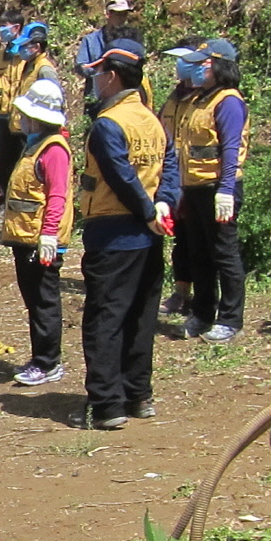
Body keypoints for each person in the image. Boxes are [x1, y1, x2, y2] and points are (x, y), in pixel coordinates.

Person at [75, 41, 178, 429]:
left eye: (99, 74)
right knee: (140, 316)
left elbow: (120, 176)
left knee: (105, 318)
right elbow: (170, 163)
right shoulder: (153, 120)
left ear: (112, 77)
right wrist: (164, 204)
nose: (95, 81)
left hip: (114, 234)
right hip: (149, 236)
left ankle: (106, 404)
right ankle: (139, 394)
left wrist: (150, 208)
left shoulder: (108, 125)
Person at [159, 37, 247, 343]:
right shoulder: (198, 99)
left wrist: (226, 189)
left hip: (218, 188)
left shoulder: (229, 101)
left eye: (203, 64)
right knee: (199, 253)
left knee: (224, 253)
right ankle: (202, 312)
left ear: (219, 66)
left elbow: (231, 147)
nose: (197, 69)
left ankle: (230, 317)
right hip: (193, 187)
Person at [1, 74, 74, 386]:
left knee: (44, 302)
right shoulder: (35, 147)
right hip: (26, 237)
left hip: (40, 240)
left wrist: (49, 233)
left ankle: (48, 362)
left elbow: (57, 194)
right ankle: (41, 356)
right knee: (34, 301)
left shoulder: (53, 150)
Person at [0, 21, 55, 200]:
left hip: (36, 130)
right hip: (18, 125)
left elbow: (53, 101)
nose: (22, 49)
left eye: (26, 45)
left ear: (37, 47)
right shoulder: (28, 65)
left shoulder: (44, 69)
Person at [75, 0, 139, 70]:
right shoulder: (90, 40)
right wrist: (101, 72)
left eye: (124, 14)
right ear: (108, 14)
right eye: (118, 14)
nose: (122, 18)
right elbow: (81, 65)